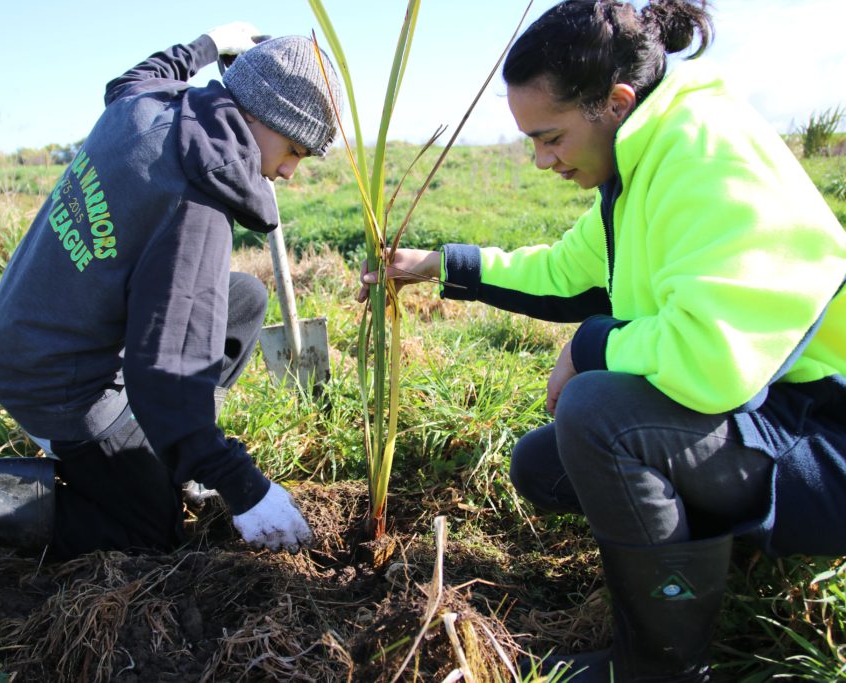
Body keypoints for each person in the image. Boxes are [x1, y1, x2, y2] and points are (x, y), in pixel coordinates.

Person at [361, 0, 846, 680]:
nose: (539, 159)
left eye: (550, 136)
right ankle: (723, 554)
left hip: (824, 436)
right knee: (544, 460)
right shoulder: (639, 163)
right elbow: (564, 271)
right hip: (768, 413)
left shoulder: (704, 153)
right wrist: (441, 265)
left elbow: (709, 363)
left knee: (596, 416)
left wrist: (589, 347)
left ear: (615, 102)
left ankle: (658, 663)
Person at [0, 24, 343, 562]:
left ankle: (172, 454)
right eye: (292, 149)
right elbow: (168, 371)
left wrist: (208, 44)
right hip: (61, 387)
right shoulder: (196, 210)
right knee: (146, 531)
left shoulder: (151, 106)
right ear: (254, 114)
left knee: (244, 297)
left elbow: (138, 75)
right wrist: (243, 487)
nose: (289, 172)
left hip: (29, 328)